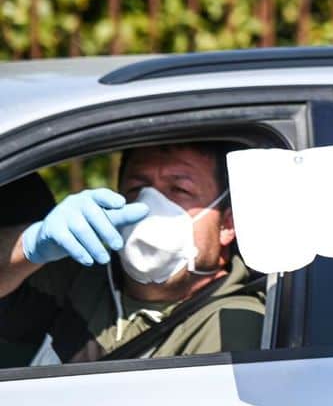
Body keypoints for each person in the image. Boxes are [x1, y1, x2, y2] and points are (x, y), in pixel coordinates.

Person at [0, 142, 264, 363]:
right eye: (137, 189)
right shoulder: (83, 278)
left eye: (180, 190)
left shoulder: (232, 322)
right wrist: (30, 245)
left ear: (228, 224)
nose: (150, 207)